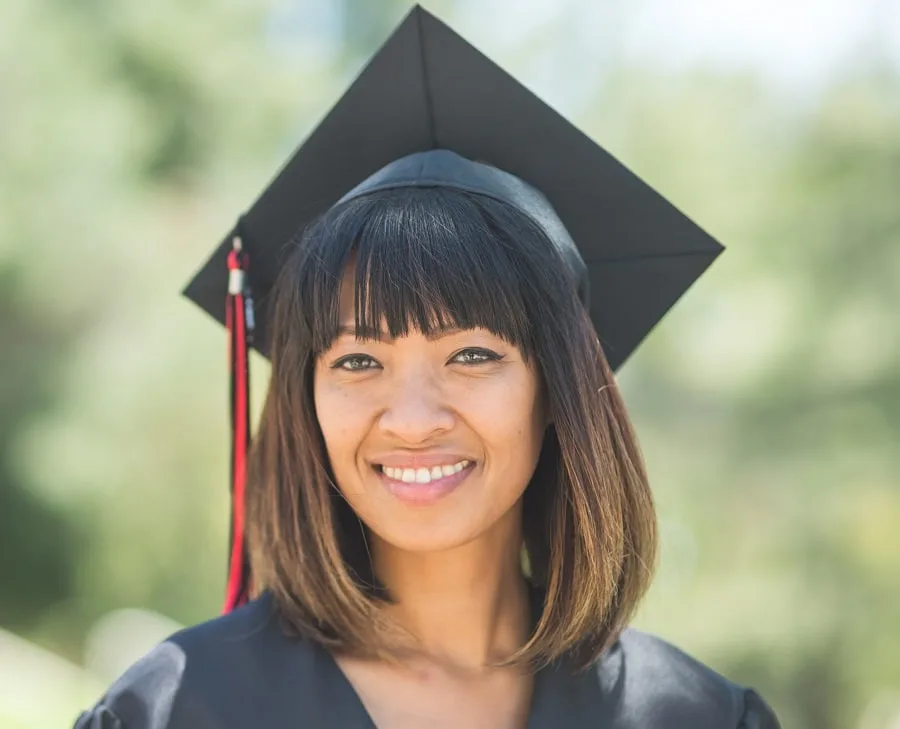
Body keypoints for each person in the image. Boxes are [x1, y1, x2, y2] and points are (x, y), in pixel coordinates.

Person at [74, 7, 781, 729]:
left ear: (558, 390)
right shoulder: (184, 706)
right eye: (357, 359)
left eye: (472, 354)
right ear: (304, 399)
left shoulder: (689, 715)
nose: (412, 418)